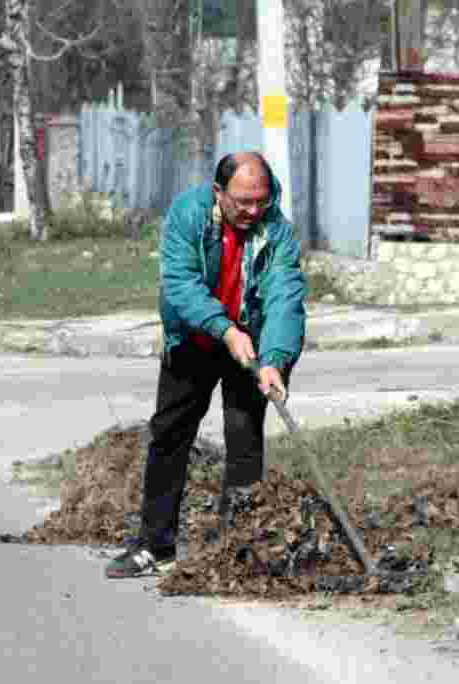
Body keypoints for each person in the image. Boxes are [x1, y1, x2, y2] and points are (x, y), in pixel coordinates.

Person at [106, 151, 308, 579]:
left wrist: (274, 360)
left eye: (262, 201)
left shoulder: (277, 231)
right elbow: (180, 283)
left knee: (245, 436)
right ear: (219, 192)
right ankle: (155, 546)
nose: (254, 211)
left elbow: (285, 297)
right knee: (170, 433)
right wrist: (224, 329)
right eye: (243, 202)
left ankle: (237, 550)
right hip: (194, 337)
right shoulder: (188, 215)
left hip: (249, 343)